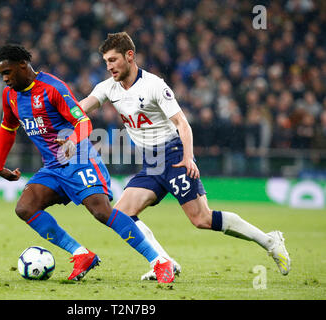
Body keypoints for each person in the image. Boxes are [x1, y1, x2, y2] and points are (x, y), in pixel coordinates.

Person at [79, 32, 291, 280]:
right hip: (151, 162)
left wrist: (188, 158)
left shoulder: (154, 85)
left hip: (173, 154)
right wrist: (57, 111)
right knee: (121, 215)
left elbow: (182, 123)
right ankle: (163, 262)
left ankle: (270, 241)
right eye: (106, 61)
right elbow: (82, 107)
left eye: (113, 60)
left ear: (129, 56)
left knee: (202, 219)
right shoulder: (107, 88)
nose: (109, 66)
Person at [0, 44, 174, 283]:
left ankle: (160, 261)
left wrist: (70, 140)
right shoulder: (10, 95)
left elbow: (83, 122)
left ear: (22, 65)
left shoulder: (53, 88)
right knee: (25, 208)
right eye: (1, 74)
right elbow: (8, 127)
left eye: (8, 72)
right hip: (53, 167)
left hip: (79, 159)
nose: (5, 79)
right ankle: (82, 255)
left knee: (101, 212)